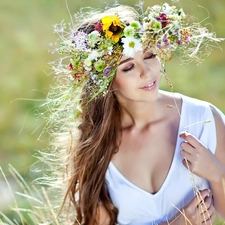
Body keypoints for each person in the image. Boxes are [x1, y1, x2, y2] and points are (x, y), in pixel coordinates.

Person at [46, 2, 225, 225]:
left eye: (149, 55)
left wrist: (218, 175)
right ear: (105, 82)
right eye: (128, 67)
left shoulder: (204, 119)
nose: (146, 72)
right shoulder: (98, 146)